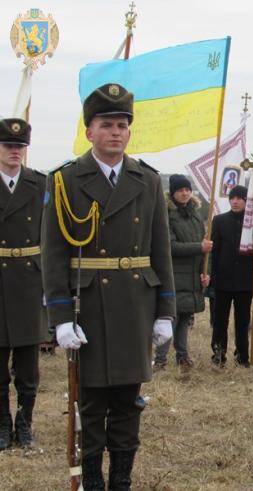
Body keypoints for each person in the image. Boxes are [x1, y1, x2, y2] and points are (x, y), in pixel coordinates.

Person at [42, 83, 175, 489]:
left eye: (122, 125)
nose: (116, 132)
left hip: (135, 303)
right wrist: (61, 317)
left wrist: (166, 309)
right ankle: (94, 483)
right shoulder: (65, 181)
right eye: (106, 124)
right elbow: (54, 255)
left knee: (127, 402)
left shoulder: (148, 180)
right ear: (89, 131)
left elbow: (160, 248)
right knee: (93, 401)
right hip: (90, 306)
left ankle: (122, 480)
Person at [0, 118, 46, 449]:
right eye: (9, 146)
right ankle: (3, 425)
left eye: (20, 147)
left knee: (28, 365)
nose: (15, 152)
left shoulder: (39, 184)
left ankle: (25, 423)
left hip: (30, 278)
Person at [154, 174, 211, 373]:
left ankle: (182, 355)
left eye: (187, 190)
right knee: (171, 318)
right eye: (180, 190)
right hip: (174, 274)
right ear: (173, 193)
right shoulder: (167, 215)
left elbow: (205, 248)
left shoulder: (195, 215)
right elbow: (170, 246)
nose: (185, 193)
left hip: (193, 275)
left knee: (185, 318)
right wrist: (199, 247)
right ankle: (160, 359)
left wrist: (206, 272)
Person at [210, 185, 253, 367]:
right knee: (220, 321)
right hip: (223, 280)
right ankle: (219, 355)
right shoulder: (219, 221)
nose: (235, 201)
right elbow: (214, 251)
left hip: (245, 281)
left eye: (239, 198)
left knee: (242, 322)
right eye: (232, 198)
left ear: (246, 201)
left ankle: (242, 356)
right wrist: (211, 275)